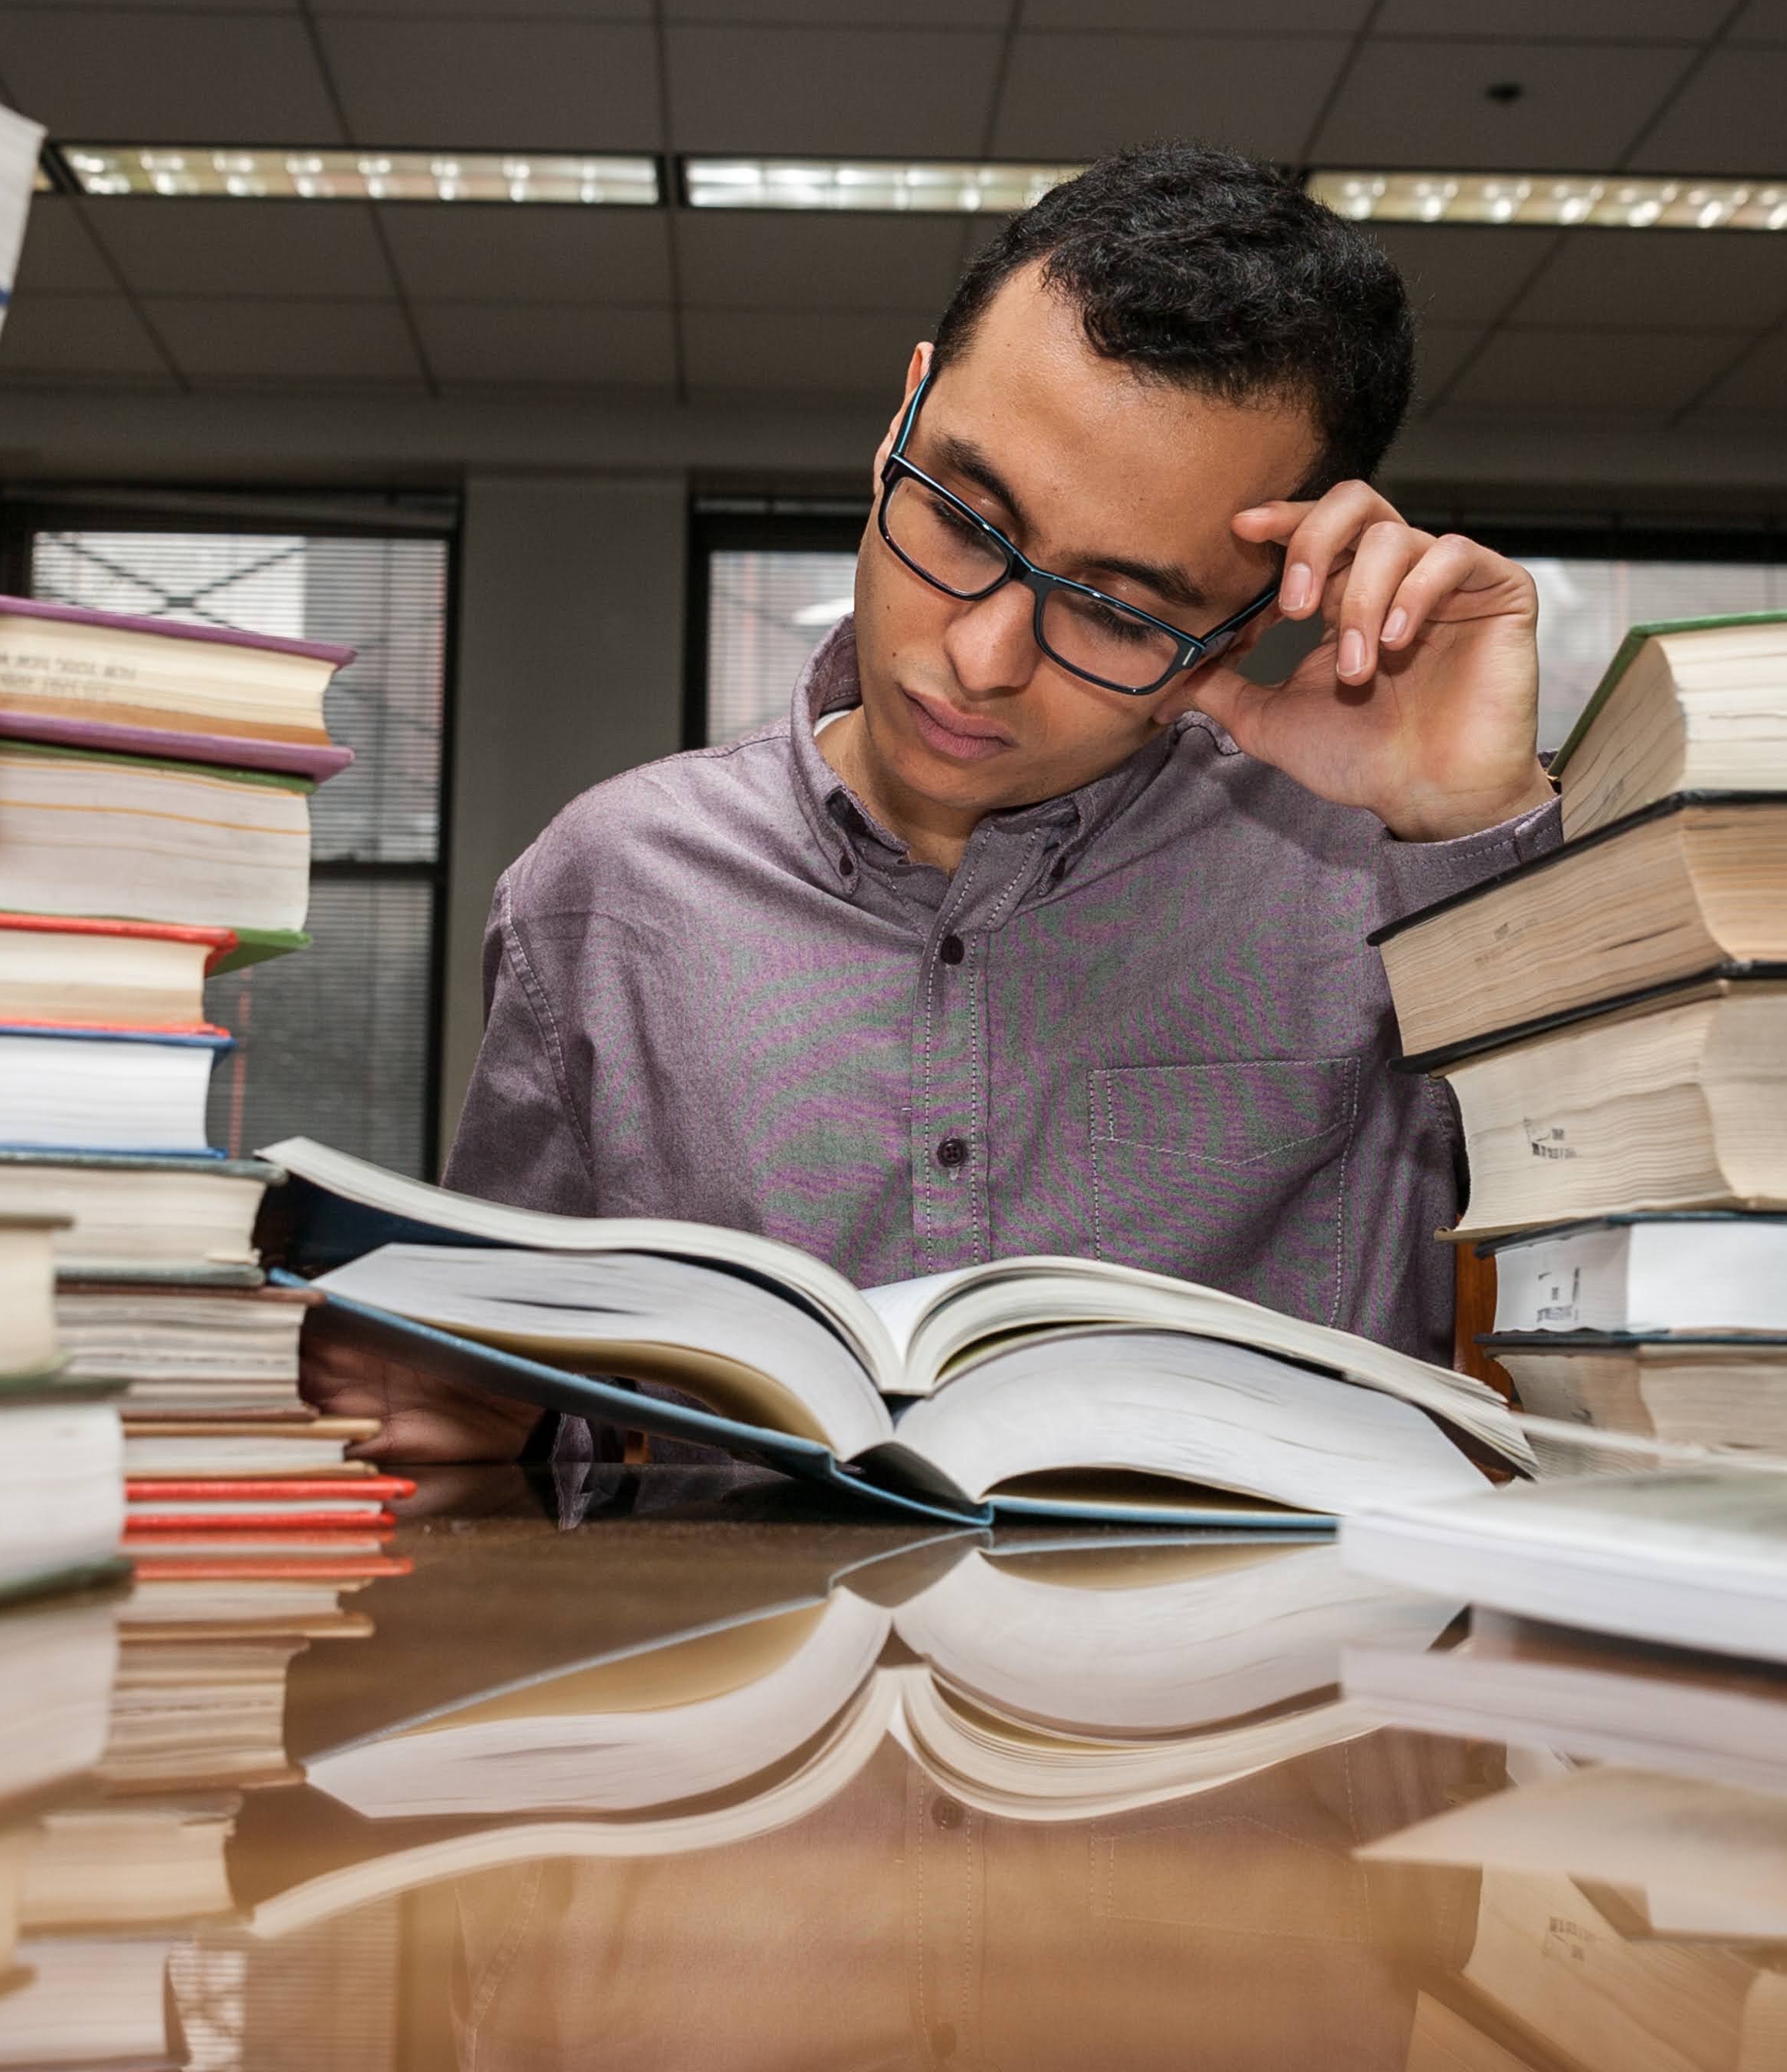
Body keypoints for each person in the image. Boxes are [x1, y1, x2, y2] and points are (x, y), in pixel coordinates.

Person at [313, 144, 1560, 1462]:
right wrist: (446, 1421)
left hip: (1273, 1664)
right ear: (904, 413)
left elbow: (1629, 1300)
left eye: (1120, 610)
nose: (980, 659)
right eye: (963, 522)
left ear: (1252, 619)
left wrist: (1473, 828)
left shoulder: (1373, 885)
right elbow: (490, 1411)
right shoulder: (607, 888)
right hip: (735, 1661)